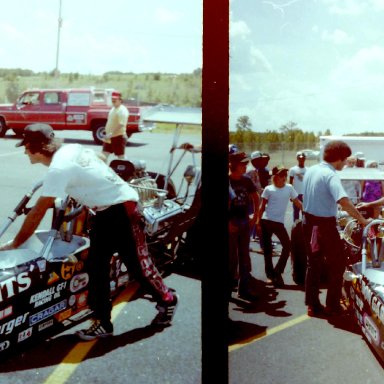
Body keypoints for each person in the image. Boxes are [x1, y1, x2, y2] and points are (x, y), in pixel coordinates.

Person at [0, 123, 178, 340]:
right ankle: (103, 323)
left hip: (123, 209)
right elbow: (100, 162)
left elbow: (37, 211)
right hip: (105, 211)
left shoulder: (59, 168)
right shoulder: (71, 149)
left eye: (26, 147)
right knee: (96, 265)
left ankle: (167, 300)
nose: (25, 151)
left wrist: (16, 243)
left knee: (138, 266)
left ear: (37, 147)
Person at [302, 140, 371, 317]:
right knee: (338, 264)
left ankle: (312, 305)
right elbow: (343, 201)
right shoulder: (330, 175)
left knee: (313, 264)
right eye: (346, 159)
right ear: (339, 158)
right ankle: (333, 306)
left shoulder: (312, 170)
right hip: (324, 226)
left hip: (308, 223)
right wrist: (362, 220)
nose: (346, 162)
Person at [257, 166, 303, 287]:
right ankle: (270, 275)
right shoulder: (268, 189)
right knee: (267, 251)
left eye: (285, 176)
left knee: (287, 246)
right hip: (266, 221)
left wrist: (307, 211)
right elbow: (262, 207)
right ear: (275, 177)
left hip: (278, 223)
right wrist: (257, 223)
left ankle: (277, 271)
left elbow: (297, 202)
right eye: (281, 175)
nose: (284, 178)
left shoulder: (289, 188)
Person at [228, 151, 260, 301]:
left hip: (244, 222)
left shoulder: (247, 181)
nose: (245, 167)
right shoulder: (227, 181)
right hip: (231, 223)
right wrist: (228, 223)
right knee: (231, 258)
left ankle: (244, 289)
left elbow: (256, 197)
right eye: (242, 165)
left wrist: (255, 216)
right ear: (234, 165)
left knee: (244, 257)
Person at [100, 91, 129, 162]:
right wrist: (106, 130)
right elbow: (111, 121)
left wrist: (111, 133)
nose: (113, 100)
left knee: (121, 157)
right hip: (109, 137)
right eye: (112, 99)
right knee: (103, 156)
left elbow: (121, 124)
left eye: (115, 99)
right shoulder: (113, 109)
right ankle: (103, 172)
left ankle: (126, 171)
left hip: (118, 137)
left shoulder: (122, 110)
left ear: (120, 100)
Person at [288, 151, 307, 222]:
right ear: (297, 158)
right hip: (296, 194)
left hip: (305, 194)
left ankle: (304, 228)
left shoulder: (308, 169)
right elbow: (290, 183)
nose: (301, 160)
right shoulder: (293, 169)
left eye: (303, 158)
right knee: (296, 213)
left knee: (304, 212)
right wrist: (291, 195)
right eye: (300, 158)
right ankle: (295, 229)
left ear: (305, 159)